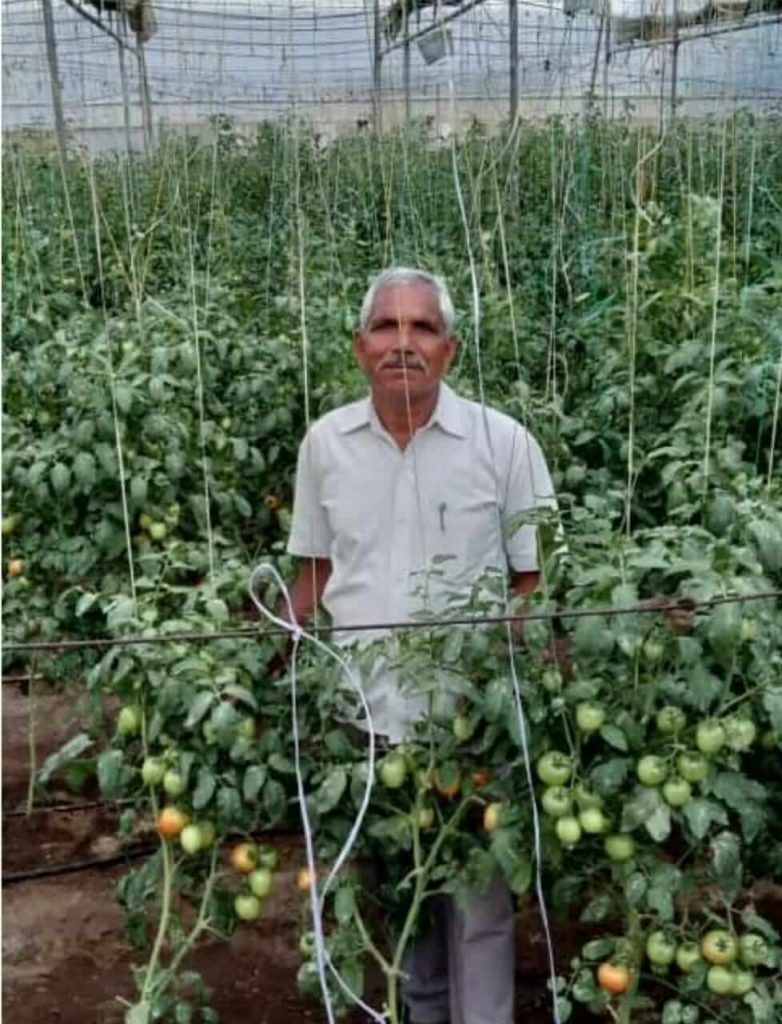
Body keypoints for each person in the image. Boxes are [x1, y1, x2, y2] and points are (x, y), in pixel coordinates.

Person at [284, 267, 558, 1024]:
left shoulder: (503, 444)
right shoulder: (325, 446)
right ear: (358, 346)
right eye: (386, 327)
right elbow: (315, 569)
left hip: (469, 723)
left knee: (478, 906)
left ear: (451, 349)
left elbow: (535, 582)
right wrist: (262, 648)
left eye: (422, 328)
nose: (402, 343)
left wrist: (518, 686)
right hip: (364, 722)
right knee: (403, 908)